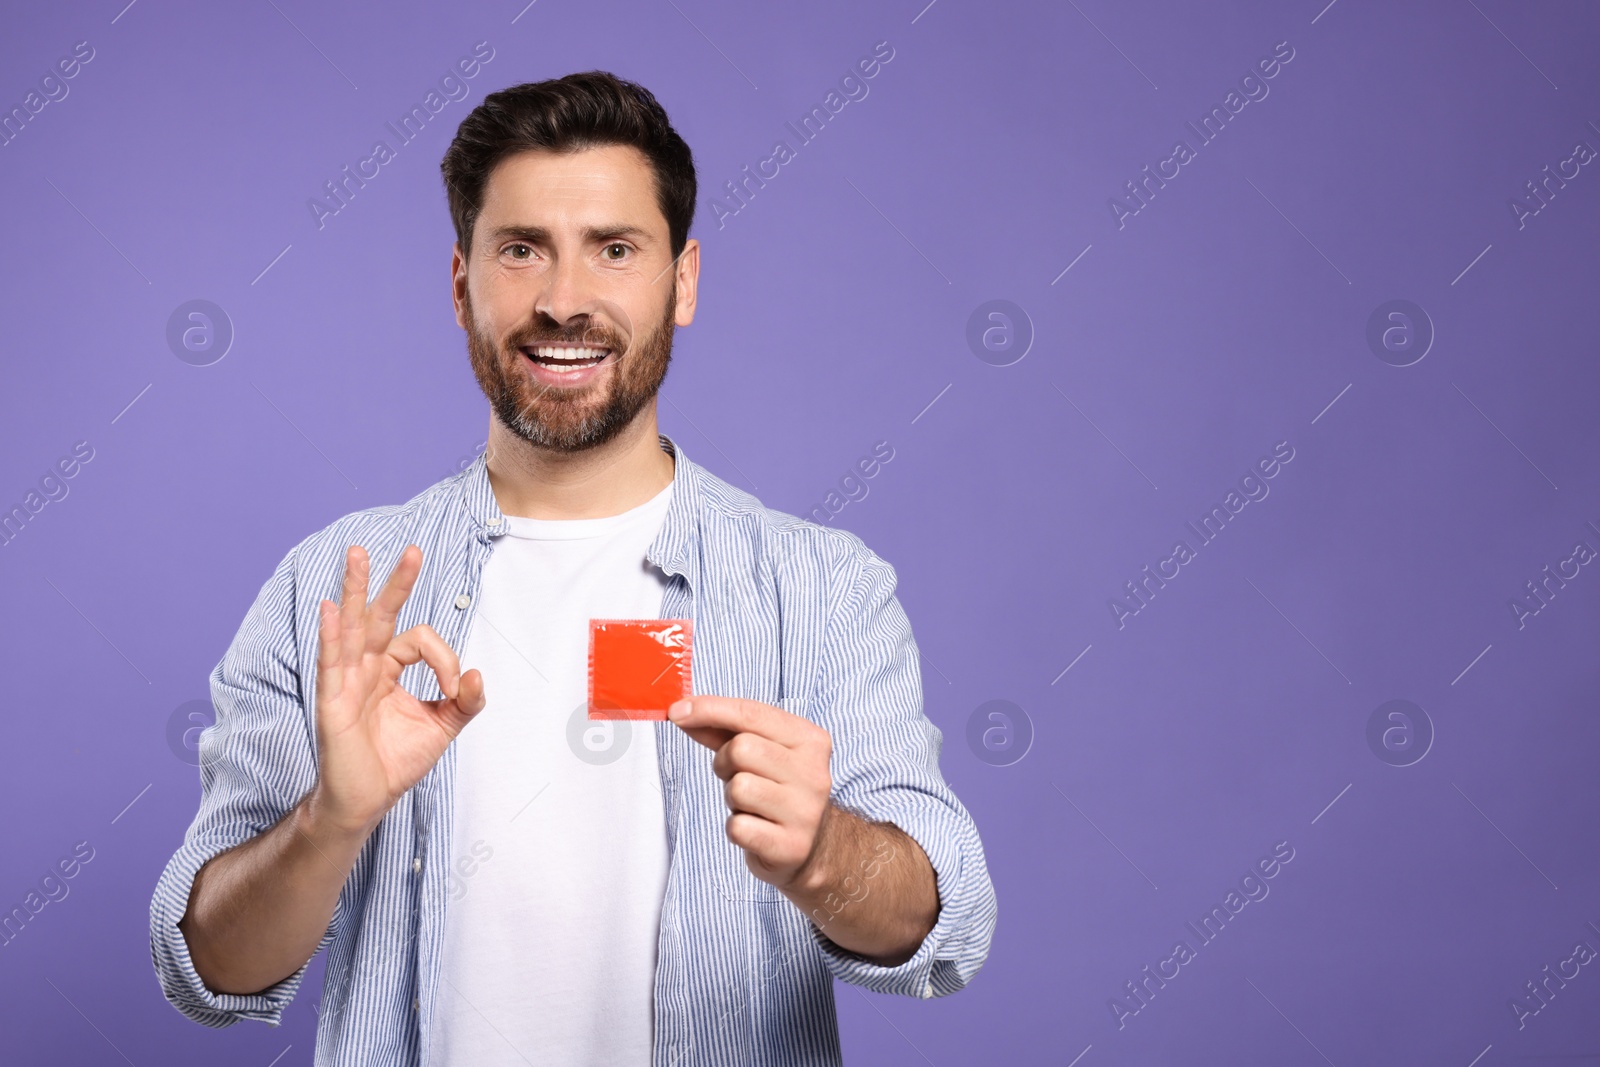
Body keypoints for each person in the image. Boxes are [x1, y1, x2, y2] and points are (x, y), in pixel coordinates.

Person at [149, 70, 996, 1066]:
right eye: (521, 250)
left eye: (614, 249)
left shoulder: (822, 587)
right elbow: (210, 967)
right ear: (461, 281)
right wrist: (331, 821)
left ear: (681, 281)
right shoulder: (334, 588)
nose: (563, 301)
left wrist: (824, 853)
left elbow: (942, 927)